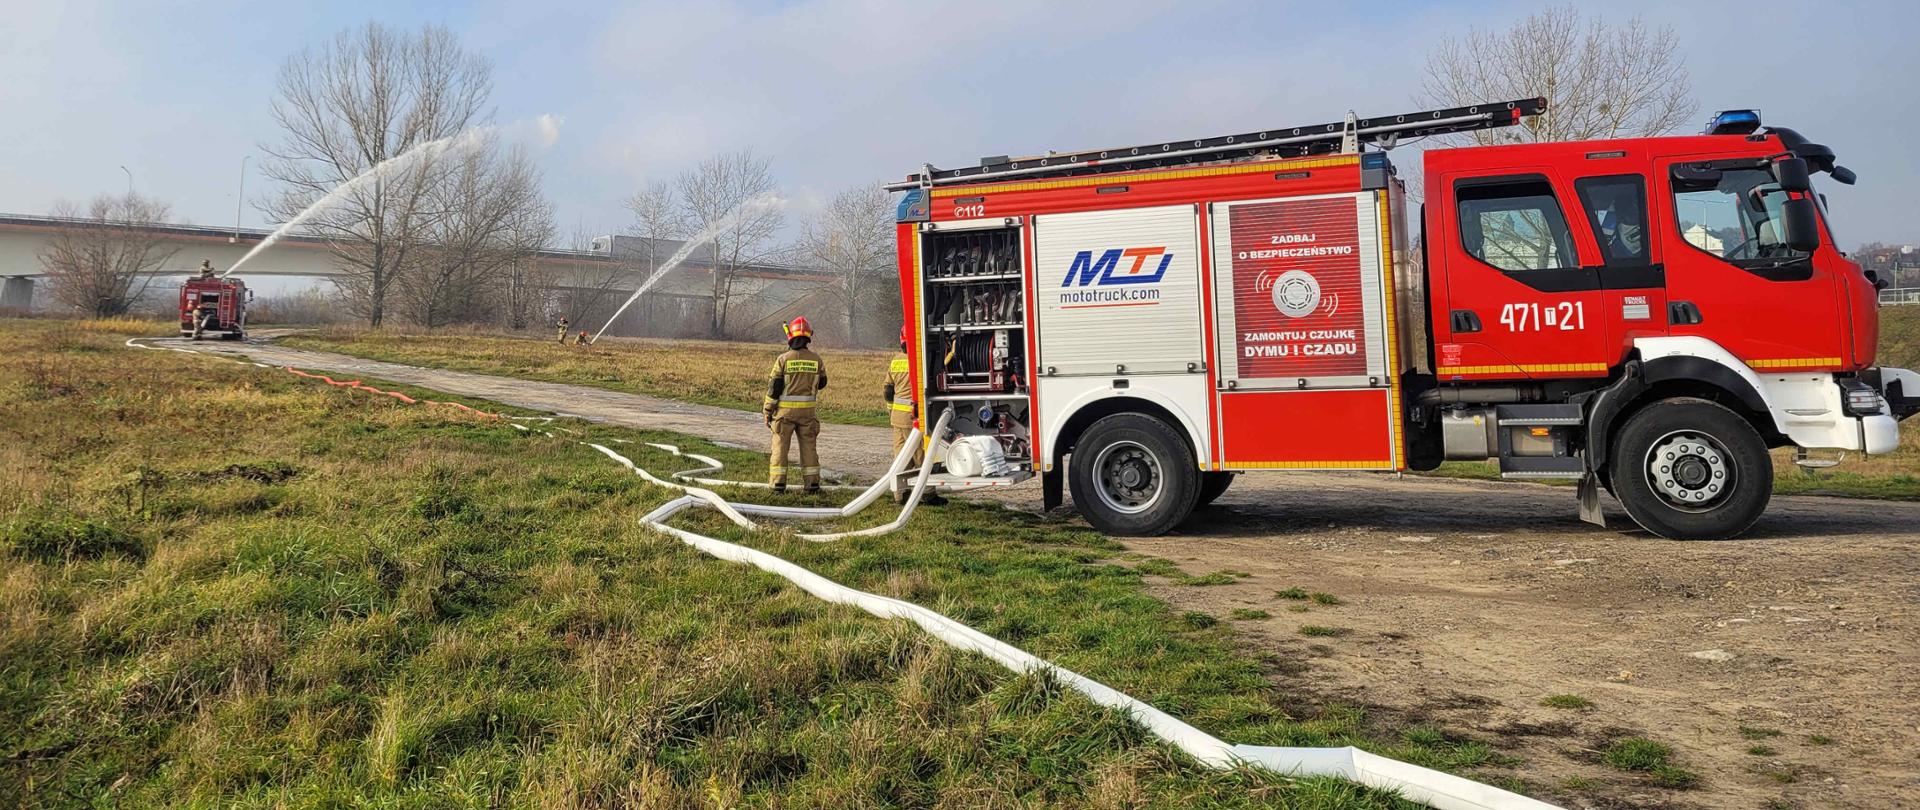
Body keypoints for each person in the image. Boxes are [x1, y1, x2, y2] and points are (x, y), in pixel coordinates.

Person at [764, 317, 827, 493]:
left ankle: (778, 484)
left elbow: (774, 388)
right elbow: (822, 382)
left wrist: (767, 411)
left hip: (784, 415)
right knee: (809, 448)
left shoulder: (783, 360)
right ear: (808, 336)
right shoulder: (817, 360)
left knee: (780, 448)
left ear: (790, 337)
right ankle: (812, 484)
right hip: (808, 414)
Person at [883, 324, 942, 504]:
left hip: (897, 418)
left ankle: (901, 494)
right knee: (921, 456)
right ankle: (928, 494)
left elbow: (888, 389)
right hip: (914, 417)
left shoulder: (895, 361)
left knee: (900, 455)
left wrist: (890, 408)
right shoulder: (921, 361)